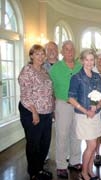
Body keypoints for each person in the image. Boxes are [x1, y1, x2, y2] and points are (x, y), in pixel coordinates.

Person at [18, 44, 54, 180]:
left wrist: (52, 109)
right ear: (31, 55)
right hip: (31, 111)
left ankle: (39, 168)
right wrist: (34, 112)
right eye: (37, 54)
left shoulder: (44, 70)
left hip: (46, 112)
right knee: (34, 143)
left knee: (45, 142)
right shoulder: (27, 70)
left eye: (42, 54)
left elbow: (49, 92)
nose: (41, 57)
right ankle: (33, 172)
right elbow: (25, 95)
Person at [68, 49, 101, 180]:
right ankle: (84, 172)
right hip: (84, 116)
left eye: (91, 60)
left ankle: (89, 169)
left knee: (94, 145)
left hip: (96, 115)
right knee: (92, 145)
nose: (89, 62)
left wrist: (97, 106)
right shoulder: (76, 77)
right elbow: (71, 98)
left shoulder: (97, 77)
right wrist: (86, 111)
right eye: (87, 60)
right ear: (82, 61)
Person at [49, 40, 82, 179]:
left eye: (71, 49)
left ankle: (74, 161)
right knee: (62, 135)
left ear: (75, 51)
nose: (69, 52)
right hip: (63, 104)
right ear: (62, 51)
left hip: (79, 105)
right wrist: (52, 107)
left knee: (76, 134)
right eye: (66, 49)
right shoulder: (55, 68)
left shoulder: (80, 66)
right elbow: (49, 89)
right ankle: (61, 165)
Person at [43, 41, 59, 162]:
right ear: (45, 51)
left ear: (57, 51)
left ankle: (64, 154)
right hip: (45, 105)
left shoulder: (63, 65)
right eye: (49, 49)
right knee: (45, 131)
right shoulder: (40, 65)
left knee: (63, 130)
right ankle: (45, 154)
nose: (52, 51)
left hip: (60, 102)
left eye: (54, 49)